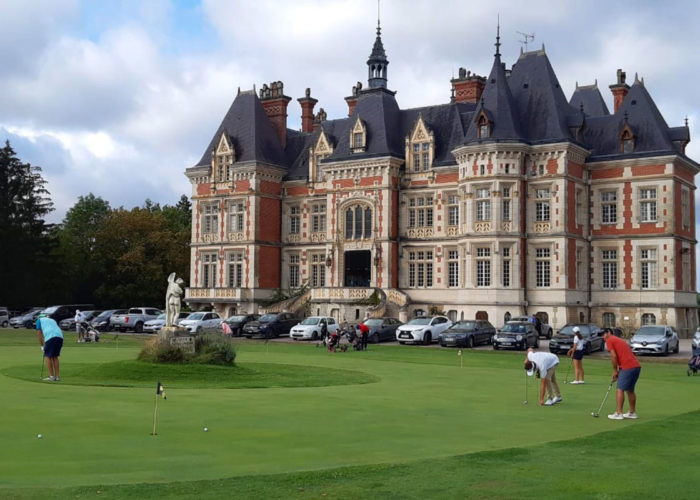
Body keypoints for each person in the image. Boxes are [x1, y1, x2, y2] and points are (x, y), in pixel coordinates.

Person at [601, 327, 641, 420]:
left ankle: (619, 413)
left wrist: (615, 370)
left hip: (628, 367)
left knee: (620, 389)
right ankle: (632, 412)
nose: (602, 337)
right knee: (630, 390)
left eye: (603, 334)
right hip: (635, 366)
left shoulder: (610, 340)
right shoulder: (617, 339)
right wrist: (619, 370)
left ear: (608, 333)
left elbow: (614, 356)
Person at [36, 313, 64, 382]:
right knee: (55, 356)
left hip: (51, 337)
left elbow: (39, 334)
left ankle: (51, 376)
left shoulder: (39, 320)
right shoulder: (52, 320)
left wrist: (42, 346)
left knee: (47, 356)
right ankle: (57, 377)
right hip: (60, 337)